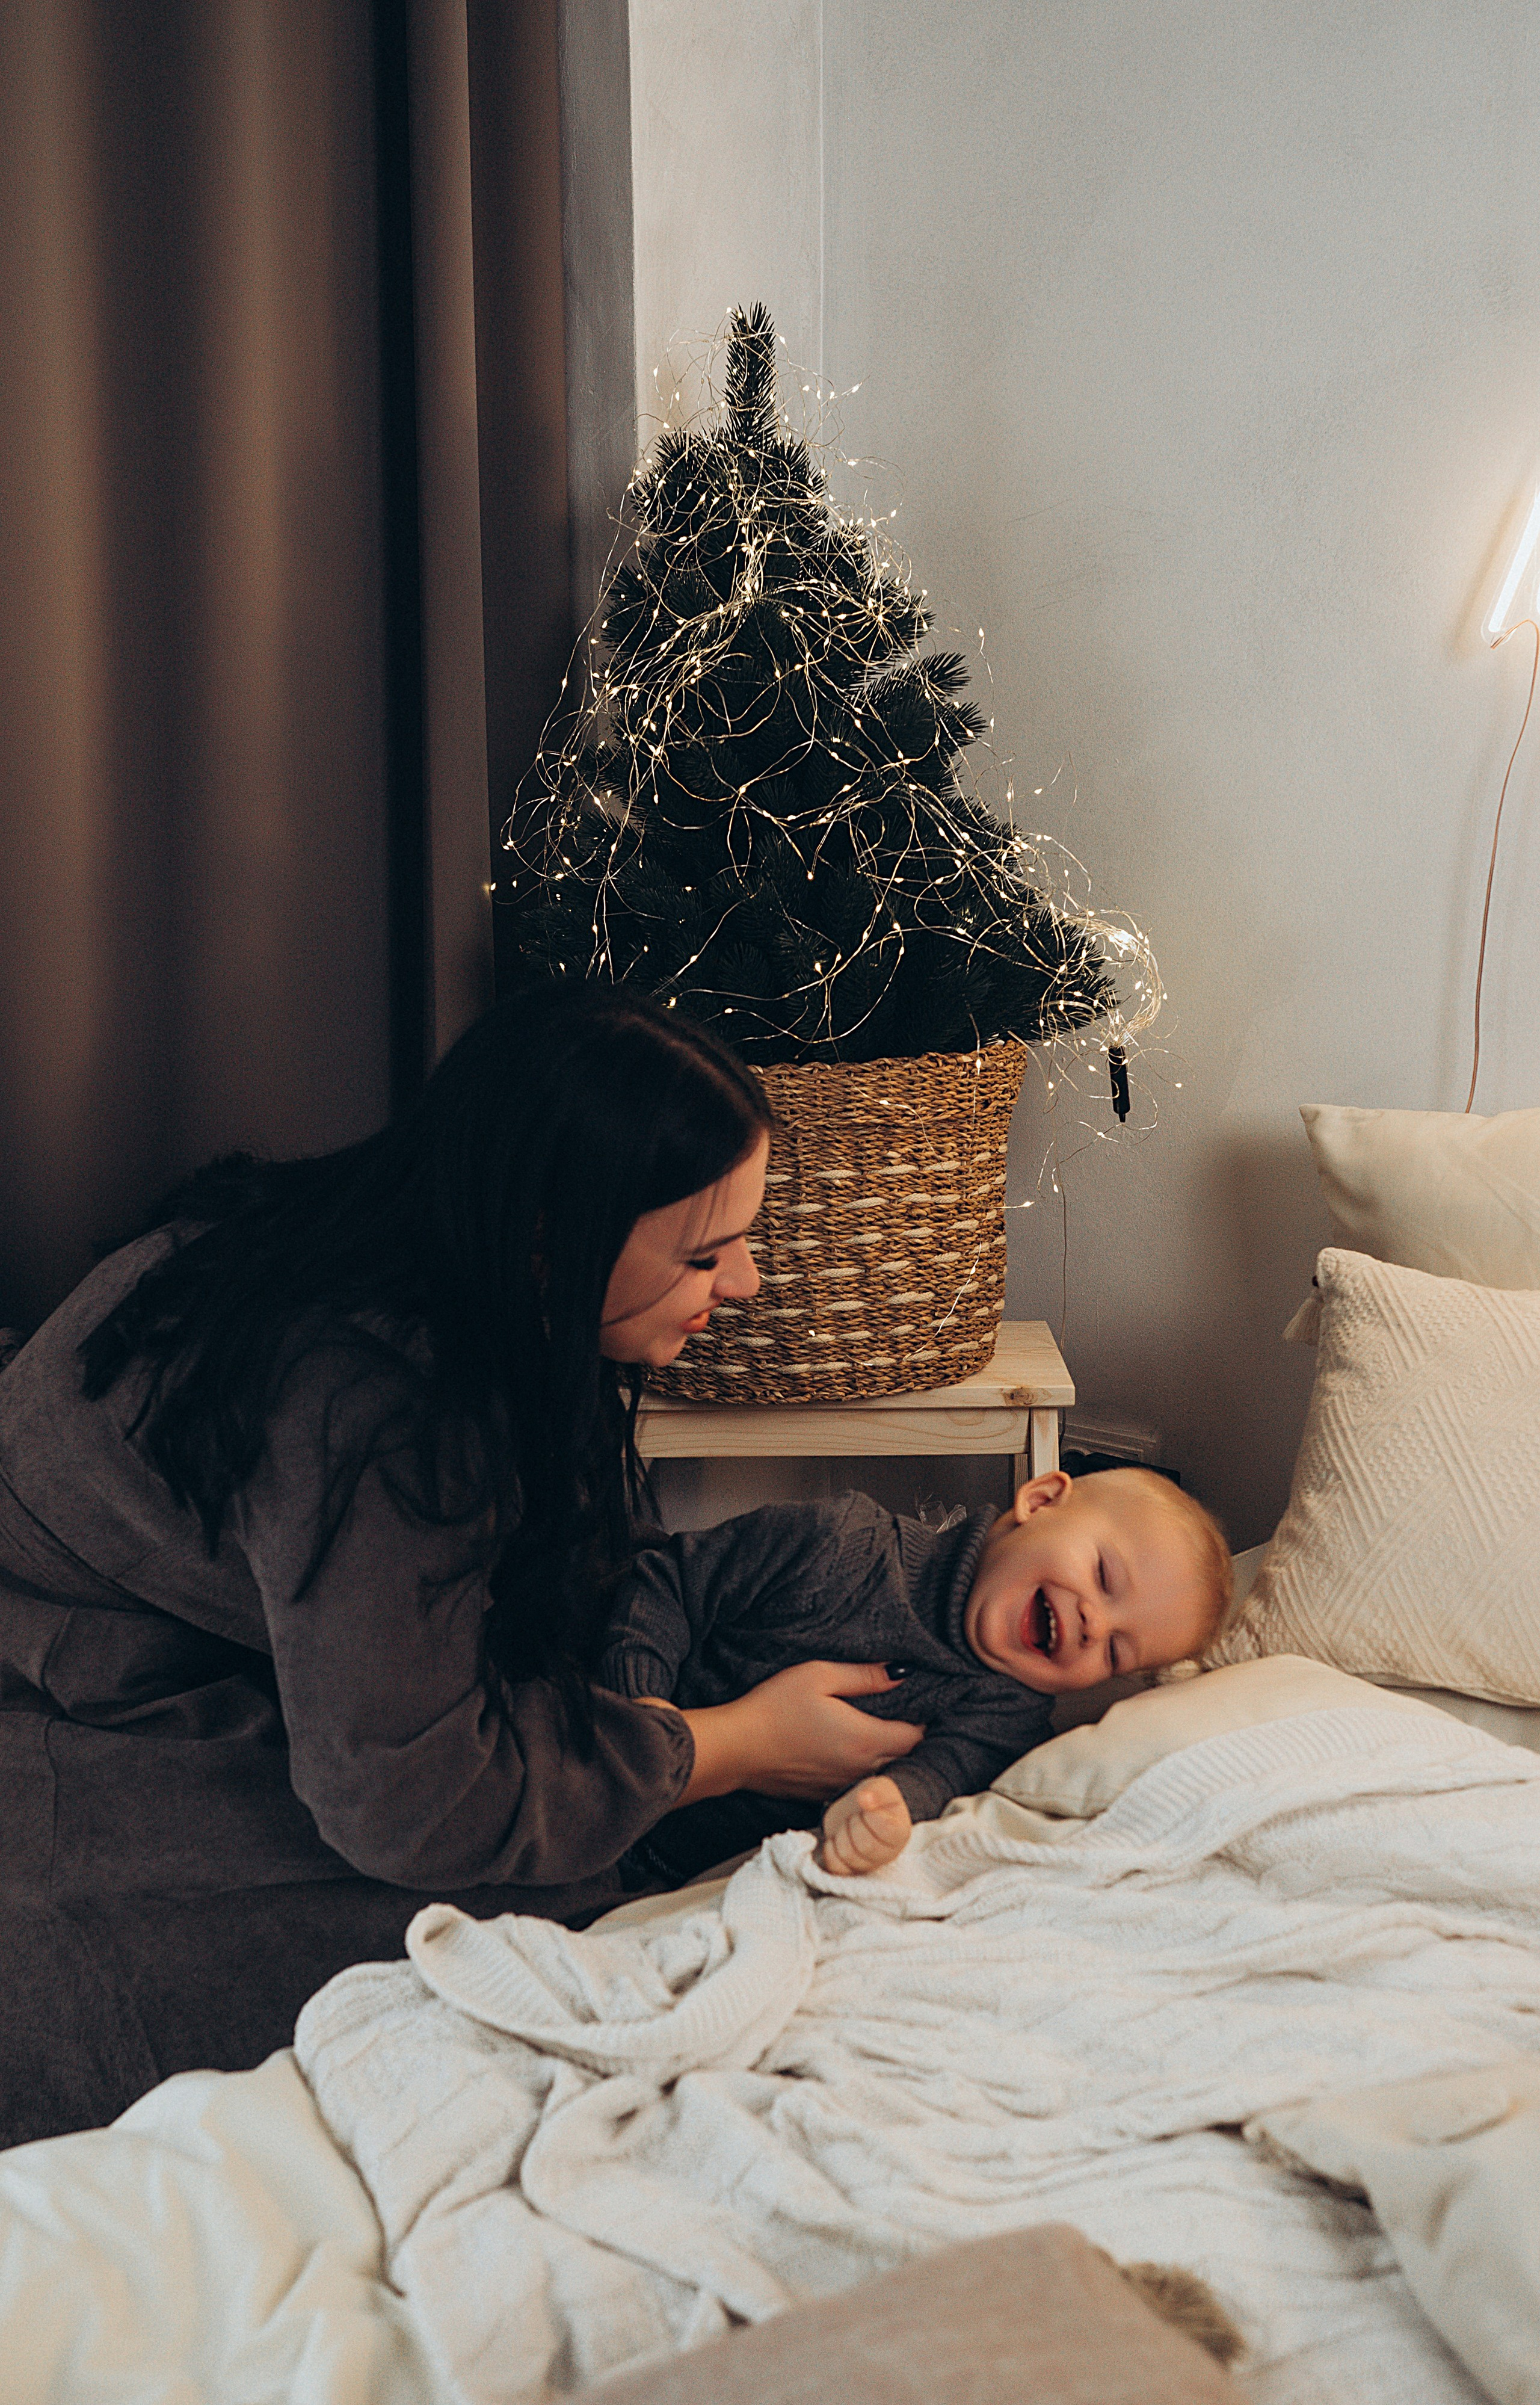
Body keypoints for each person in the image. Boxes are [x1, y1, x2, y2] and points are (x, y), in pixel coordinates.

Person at [0, 984, 924, 2145]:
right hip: (65, 1669)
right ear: (551, 1236)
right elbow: (408, 1800)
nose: (742, 1283)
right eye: (705, 1251)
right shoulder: (377, 1409)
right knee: (520, 1937)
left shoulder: (414, 1247)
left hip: (178, 1608)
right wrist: (734, 1745)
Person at [600, 1465, 1232, 1882]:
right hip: (592, 1756)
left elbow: (939, 1776)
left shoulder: (1005, 1711)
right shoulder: (842, 1544)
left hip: (671, 1873)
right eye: (1102, 1576)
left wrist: (885, 1808)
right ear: (1039, 1502)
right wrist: (642, 1710)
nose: (1095, 1624)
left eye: (1117, 1653)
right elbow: (667, 1584)